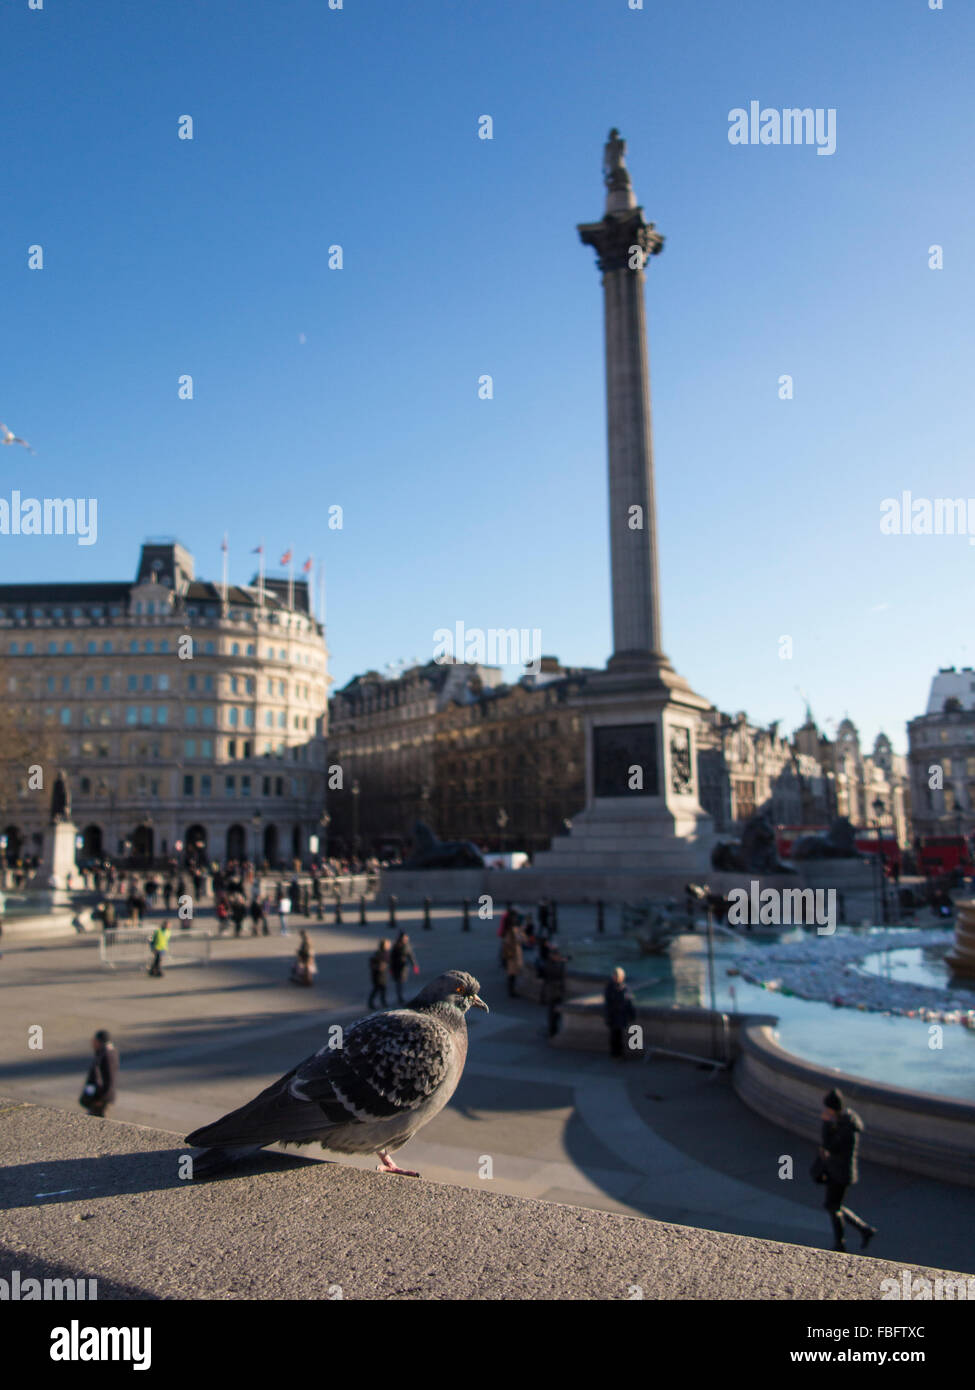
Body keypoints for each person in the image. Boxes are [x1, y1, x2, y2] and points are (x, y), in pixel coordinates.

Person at [818, 1089, 877, 1253]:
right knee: (834, 1205)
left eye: (827, 1109)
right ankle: (863, 1230)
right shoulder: (846, 1122)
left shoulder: (845, 1127)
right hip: (840, 1170)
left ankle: (841, 1243)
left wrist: (826, 1124)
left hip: (840, 1172)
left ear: (833, 1109)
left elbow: (829, 1146)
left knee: (833, 1206)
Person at [80, 1029, 119, 1117]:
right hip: (98, 1098)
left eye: (94, 1041)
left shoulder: (107, 1054)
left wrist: (102, 1098)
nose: (92, 1044)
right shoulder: (103, 1052)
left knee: (100, 1123)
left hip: (101, 1100)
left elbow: (109, 1078)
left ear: (99, 1041)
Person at [603, 967, 636, 1059]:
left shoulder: (625, 988)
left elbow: (629, 1002)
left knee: (619, 1035)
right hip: (614, 1015)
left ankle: (619, 1053)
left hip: (620, 1016)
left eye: (618, 976)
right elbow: (608, 1003)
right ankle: (615, 1053)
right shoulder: (610, 987)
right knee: (614, 1035)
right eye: (615, 976)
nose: (616, 977)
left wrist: (631, 1014)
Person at [538, 940, 569, 1037]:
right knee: (553, 1012)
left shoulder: (550, 963)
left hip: (556, 991)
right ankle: (552, 1031)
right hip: (553, 992)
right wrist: (562, 964)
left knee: (555, 1012)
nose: (558, 957)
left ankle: (553, 1029)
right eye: (556, 956)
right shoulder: (551, 965)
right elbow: (558, 974)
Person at [390, 931, 419, 1004]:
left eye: (406, 938)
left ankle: (401, 996)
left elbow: (411, 956)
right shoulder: (396, 946)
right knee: (399, 982)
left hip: (403, 967)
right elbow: (392, 958)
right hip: (396, 966)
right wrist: (391, 968)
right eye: (405, 938)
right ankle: (400, 997)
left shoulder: (407, 946)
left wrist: (414, 965)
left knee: (402, 982)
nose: (406, 939)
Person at [500, 920, 524, 998]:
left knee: (512, 974)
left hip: (511, 956)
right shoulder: (514, 931)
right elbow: (521, 939)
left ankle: (512, 990)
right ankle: (512, 991)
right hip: (513, 956)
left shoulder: (509, 931)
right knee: (512, 974)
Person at [368, 939, 391, 1010]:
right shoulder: (378, 954)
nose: (389, 946)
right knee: (377, 989)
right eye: (387, 944)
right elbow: (372, 963)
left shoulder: (386, 953)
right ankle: (371, 1003)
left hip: (383, 975)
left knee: (382, 989)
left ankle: (383, 1002)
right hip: (377, 975)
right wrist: (378, 966)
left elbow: (388, 962)